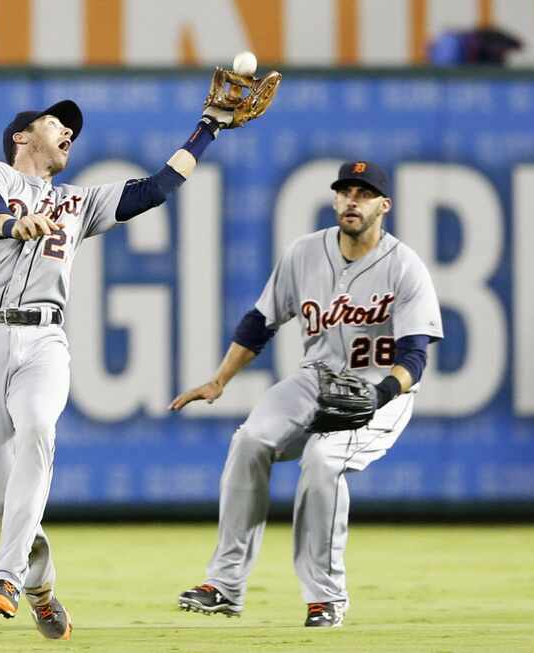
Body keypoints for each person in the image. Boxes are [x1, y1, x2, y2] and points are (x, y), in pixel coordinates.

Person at [0, 97, 236, 640]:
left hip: (44, 340)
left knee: (38, 426)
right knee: (4, 494)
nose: (69, 133)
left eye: (72, 129)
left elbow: (156, 188)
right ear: (22, 136)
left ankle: (6, 578)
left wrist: (208, 130)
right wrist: (14, 223)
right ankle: (42, 591)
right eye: (57, 123)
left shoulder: (79, 202)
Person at [171, 161, 443, 628]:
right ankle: (225, 586)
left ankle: (326, 598)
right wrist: (220, 380)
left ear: (384, 205)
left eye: (363, 193)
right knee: (249, 442)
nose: (352, 200)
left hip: (379, 390)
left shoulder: (404, 267)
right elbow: (260, 323)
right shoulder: (304, 252)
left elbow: (414, 358)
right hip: (315, 378)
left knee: (322, 461)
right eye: (345, 191)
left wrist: (379, 397)